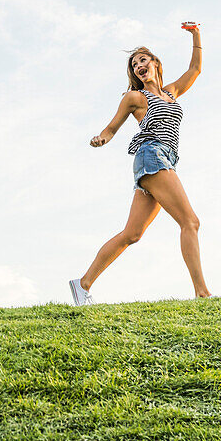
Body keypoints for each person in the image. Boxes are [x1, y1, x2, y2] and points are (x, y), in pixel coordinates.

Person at [69, 23, 211, 305]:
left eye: (143, 60)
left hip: (164, 159)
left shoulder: (171, 92)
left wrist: (196, 35)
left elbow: (194, 70)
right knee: (190, 222)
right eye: (134, 65)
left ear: (155, 63)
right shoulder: (135, 97)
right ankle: (203, 294)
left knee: (132, 234)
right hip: (152, 156)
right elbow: (111, 128)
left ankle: (82, 284)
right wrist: (101, 138)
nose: (138, 66)